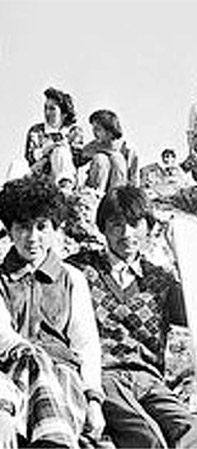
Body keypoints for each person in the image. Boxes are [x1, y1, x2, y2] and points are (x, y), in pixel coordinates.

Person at [67, 185, 197, 448]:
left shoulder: (161, 280)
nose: (126, 233)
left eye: (134, 224)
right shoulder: (79, 271)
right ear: (103, 228)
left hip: (150, 379)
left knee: (193, 428)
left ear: (148, 228)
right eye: (116, 224)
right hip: (103, 375)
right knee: (146, 436)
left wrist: (182, 259)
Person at [0, 175, 105, 447]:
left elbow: (85, 344)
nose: (32, 238)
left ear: (55, 229)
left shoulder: (72, 278)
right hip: (9, 376)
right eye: (23, 227)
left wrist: (94, 399)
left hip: (63, 376)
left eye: (41, 227)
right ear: (9, 230)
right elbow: (2, 336)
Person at [24, 87, 82, 190]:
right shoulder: (36, 131)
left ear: (64, 113)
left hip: (62, 176)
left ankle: (65, 188)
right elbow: (30, 156)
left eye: (52, 109)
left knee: (60, 151)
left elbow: (77, 158)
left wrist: (47, 156)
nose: (47, 112)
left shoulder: (74, 131)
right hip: (40, 177)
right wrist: (47, 150)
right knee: (16, 165)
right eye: (45, 108)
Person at [82, 109, 137, 194]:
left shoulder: (127, 149)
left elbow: (134, 178)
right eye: (93, 129)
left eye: (98, 129)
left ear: (109, 131)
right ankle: (96, 195)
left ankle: (115, 196)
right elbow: (79, 159)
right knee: (100, 158)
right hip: (97, 189)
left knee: (117, 159)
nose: (94, 132)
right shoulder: (92, 146)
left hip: (119, 191)